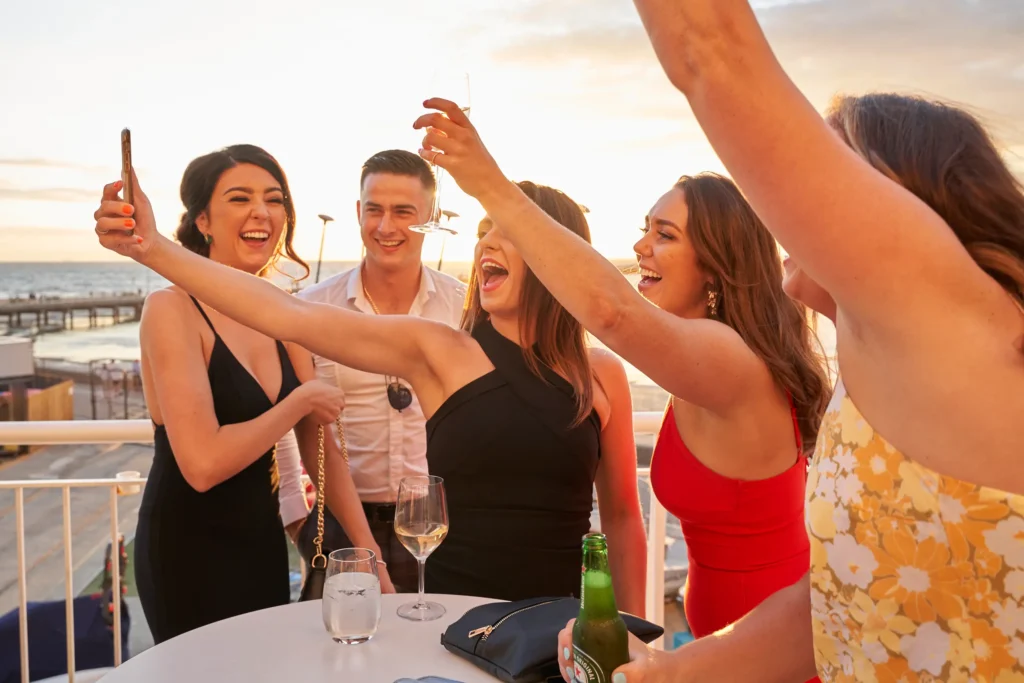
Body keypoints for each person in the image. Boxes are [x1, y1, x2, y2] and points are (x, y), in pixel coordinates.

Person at [568, 1, 1024, 681]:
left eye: (831, 162)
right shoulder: (870, 372)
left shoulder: (957, 330)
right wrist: (665, 672)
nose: (783, 203)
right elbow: (836, 602)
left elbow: (710, 48)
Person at [93, 174, 648, 613]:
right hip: (458, 614)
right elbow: (285, 311)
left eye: (511, 232)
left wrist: (631, 631)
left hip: (562, 618)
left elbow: (622, 517)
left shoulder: (601, 375)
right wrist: (154, 248)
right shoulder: (437, 349)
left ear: (561, 256)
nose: (487, 245)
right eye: (484, 231)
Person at [412, 105, 830, 682]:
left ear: (714, 265)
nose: (640, 247)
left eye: (664, 235)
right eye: (645, 229)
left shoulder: (731, 362)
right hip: (722, 645)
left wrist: (488, 183)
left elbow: (609, 310)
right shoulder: (701, 365)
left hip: (769, 658)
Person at [106, 145, 391, 644]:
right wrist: (299, 401)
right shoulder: (171, 309)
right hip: (185, 550)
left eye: (274, 199)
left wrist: (373, 559)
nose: (261, 211)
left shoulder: (281, 315)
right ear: (203, 221)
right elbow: (202, 464)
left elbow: (322, 451)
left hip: (260, 543)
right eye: (240, 198)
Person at [275, 149, 466, 593]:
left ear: (429, 215)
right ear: (358, 212)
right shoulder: (313, 308)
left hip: (440, 526)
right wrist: (294, 513)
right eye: (374, 210)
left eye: (404, 212)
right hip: (344, 524)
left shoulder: (463, 307)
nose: (386, 227)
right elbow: (298, 418)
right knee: (342, 656)